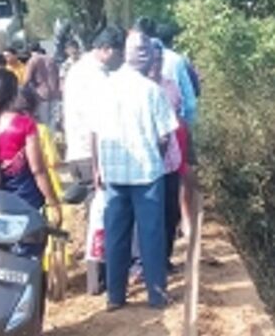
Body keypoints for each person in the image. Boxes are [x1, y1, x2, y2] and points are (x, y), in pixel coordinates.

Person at [91, 31, 179, 310]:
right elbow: (165, 136)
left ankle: (115, 297)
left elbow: (93, 132)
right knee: (151, 234)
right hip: (147, 173)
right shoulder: (152, 90)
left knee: (116, 234)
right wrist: (158, 159)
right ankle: (156, 295)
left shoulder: (104, 88)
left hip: (114, 173)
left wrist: (97, 167)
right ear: (145, 56)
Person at [0, 70, 62, 242]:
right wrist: (53, 202)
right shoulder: (24, 124)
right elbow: (38, 170)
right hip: (24, 200)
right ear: (13, 93)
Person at [63, 26, 125, 183]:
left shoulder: (80, 68)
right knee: (100, 205)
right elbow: (101, 120)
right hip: (91, 155)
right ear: (106, 49)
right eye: (120, 54)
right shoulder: (95, 75)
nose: (122, 60)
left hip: (80, 152)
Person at [148, 38, 189, 268]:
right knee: (148, 215)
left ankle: (164, 257)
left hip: (170, 160)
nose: (156, 64)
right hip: (144, 164)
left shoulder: (170, 86)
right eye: (152, 60)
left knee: (170, 212)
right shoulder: (137, 88)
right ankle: (146, 262)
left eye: (159, 60)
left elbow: (179, 119)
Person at [156, 23, 197, 128]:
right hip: (177, 121)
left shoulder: (145, 58)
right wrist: (187, 124)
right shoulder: (179, 60)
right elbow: (190, 100)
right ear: (172, 41)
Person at [24, 42, 60, 129]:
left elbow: (27, 79)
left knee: (44, 121)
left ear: (30, 51)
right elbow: (57, 75)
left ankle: (46, 141)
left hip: (41, 95)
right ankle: (52, 140)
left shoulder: (33, 60)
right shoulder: (51, 59)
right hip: (54, 93)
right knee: (52, 121)